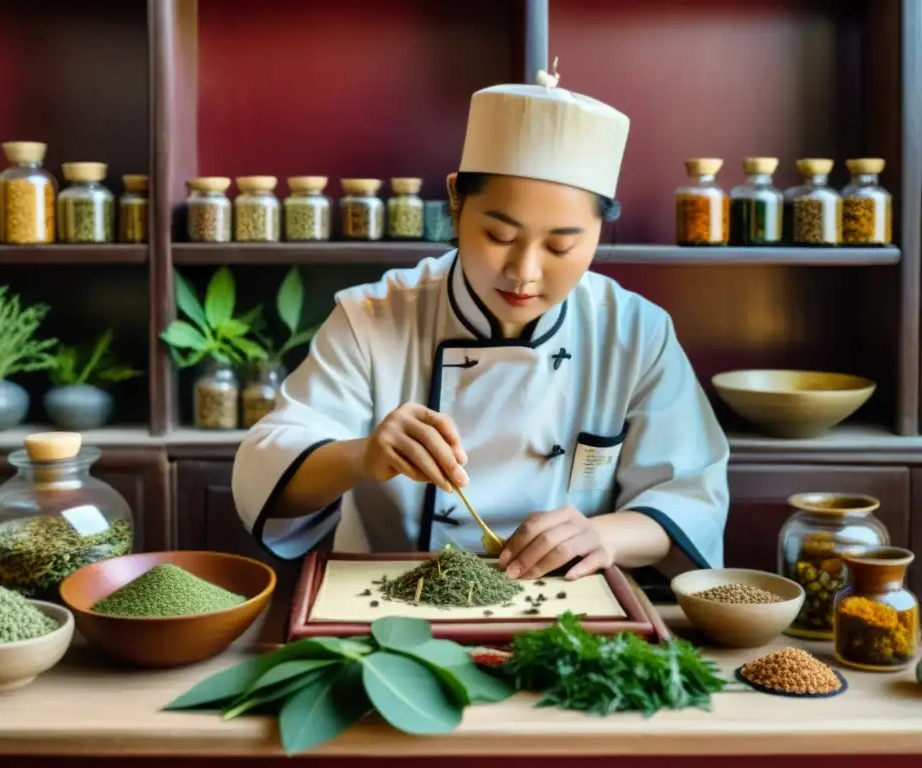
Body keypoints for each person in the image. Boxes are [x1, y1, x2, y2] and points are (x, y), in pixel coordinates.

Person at [232, 64, 729, 582]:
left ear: (599, 228)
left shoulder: (634, 333)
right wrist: (366, 454)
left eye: (561, 245)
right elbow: (266, 470)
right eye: (499, 236)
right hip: (391, 608)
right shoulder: (373, 317)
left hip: (567, 615)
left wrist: (605, 534)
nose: (524, 273)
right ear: (456, 199)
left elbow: (692, 497)